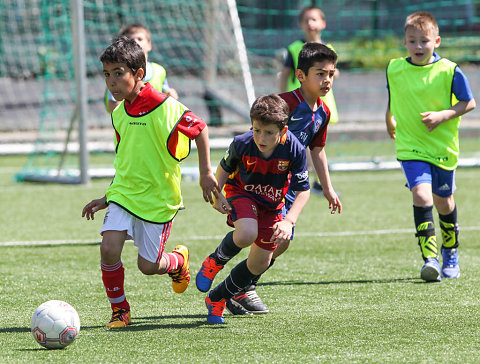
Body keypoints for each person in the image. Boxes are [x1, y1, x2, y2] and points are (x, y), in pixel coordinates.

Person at [82, 36, 218, 328]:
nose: (111, 81)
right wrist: (107, 196)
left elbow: (201, 129)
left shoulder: (165, 106)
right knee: (108, 248)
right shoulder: (118, 114)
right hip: (124, 194)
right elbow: (126, 162)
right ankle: (120, 310)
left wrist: (207, 172)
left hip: (158, 198)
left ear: (139, 74)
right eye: (107, 74)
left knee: (148, 266)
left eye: (118, 73)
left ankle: (177, 262)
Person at [224, 42, 342, 315]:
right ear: (300, 75)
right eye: (320, 74)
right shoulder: (283, 104)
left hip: (288, 188)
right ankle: (236, 285)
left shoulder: (323, 112)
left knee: (282, 241)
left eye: (331, 74)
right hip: (258, 183)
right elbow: (251, 138)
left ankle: (241, 285)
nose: (326, 80)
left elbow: (317, 150)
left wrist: (327, 187)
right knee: (257, 235)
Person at [195, 94, 311, 324]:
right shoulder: (242, 143)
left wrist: (289, 220)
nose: (261, 137)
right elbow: (224, 167)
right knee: (247, 233)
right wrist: (217, 195)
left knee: (260, 263)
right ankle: (214, 261)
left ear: (283, 130)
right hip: (242, 192)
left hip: (272, 204)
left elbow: (303, 190)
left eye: (268, 132)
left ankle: (217, 298)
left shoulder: (294, 148)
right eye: (257, 130)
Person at [385, 11, 476, 282]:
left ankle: (451, 252)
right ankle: (430, 259)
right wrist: (388, 118)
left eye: (424, 41)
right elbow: (394, 97)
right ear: (405, 42)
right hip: (410, 147)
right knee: (422, 197)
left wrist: (442, 116)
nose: (418, 47)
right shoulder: (394, 68)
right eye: (412, 41)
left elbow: (468, 102)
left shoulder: (450, 70)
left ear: (436, 41)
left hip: (443, 149)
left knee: (444, 202)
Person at [279, 6, 340, 196]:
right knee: (300, 143)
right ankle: (300, 179)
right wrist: (281, 100)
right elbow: (285, 74)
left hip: (321, 103)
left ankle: (316, 182)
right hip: (298, 104)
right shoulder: (295, 48)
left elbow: (335, 72)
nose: (310, 23)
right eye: (306, 20)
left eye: (314, 19)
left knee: (317, 145)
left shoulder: (329, 49)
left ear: (323, 23)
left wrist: (330, 74)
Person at [104, 23, 178, 113]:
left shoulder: (159, 71)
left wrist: (171, 96)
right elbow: (113, 106)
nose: (136, 42)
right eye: (131, 40)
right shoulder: (117, 72)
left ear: (149, 44)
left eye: (140, 39)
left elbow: (166, 96)